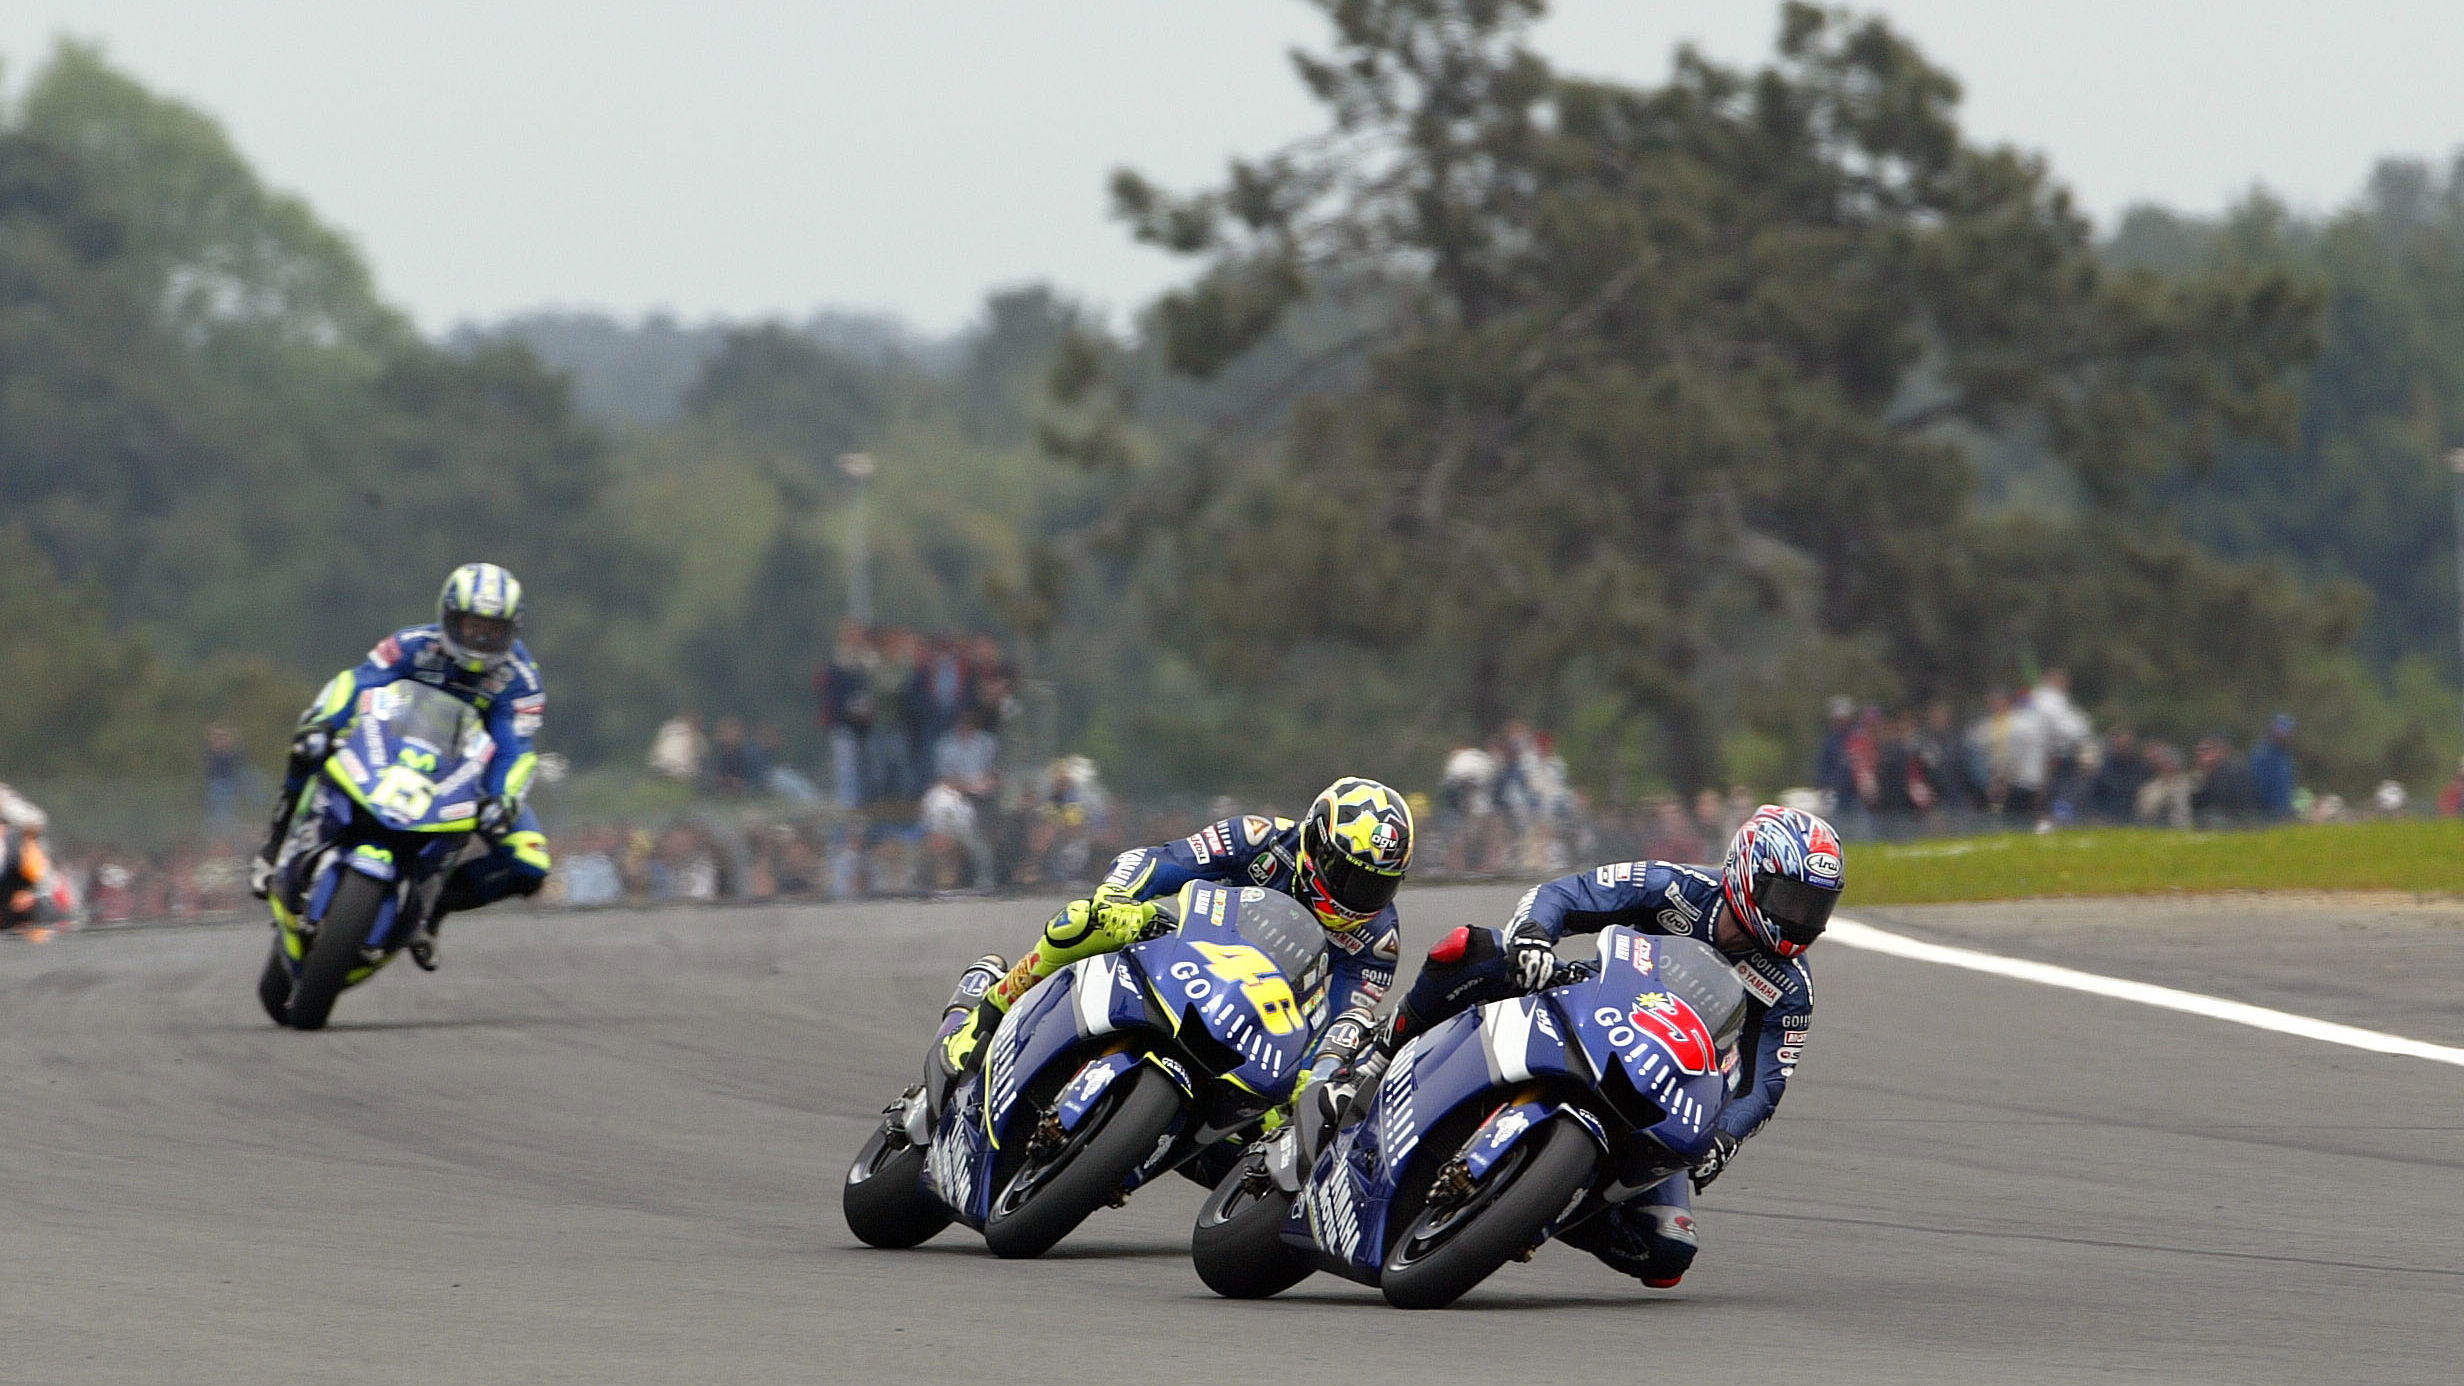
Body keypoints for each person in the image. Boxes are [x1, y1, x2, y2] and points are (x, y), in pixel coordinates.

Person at [1325, 804, 1841, 1291]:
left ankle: (1545, 1203)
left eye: (1816, 907)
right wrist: (1534, 936)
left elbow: (1765, 1082)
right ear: (1749, 874)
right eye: (1791, 901)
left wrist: (1726, 1138)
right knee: (1473, 949)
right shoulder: (1675, 887)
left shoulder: (1790, 988)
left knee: (1668, 1250)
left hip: (1666, 1079)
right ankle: (1377, 1052)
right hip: (1588, 1004)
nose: (1801, 919)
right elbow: (1566, 894)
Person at [938, 778, 1416, 1103]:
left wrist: (1312, 1077)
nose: (1358, 894)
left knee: (1290, 1103)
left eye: (1376, 884)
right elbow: (1163, 860)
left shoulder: (1377, 942)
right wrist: (1117, 898)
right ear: (1315, 842)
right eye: (1347, 874)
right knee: (1084, 920)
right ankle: (986, 1016)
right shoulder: (1257, 837)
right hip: (1184, 949)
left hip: (1259, 1024)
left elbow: (1339, 1021)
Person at [247, 564, 551, 969]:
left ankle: (432, 910)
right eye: (472, 625)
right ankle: (275, 844)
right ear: (448, 616)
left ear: (512, 631)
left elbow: (516, 749)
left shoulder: (521, 679)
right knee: (309, 748)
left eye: (493, 630)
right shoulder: (412, 644)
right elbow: (356, 683)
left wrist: (503, 799)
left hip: (466, 778)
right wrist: (322, 722)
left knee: (530, 863)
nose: (481, 638)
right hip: (389, 755)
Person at [2248, 714, 2296, 820]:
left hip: (2284, 811)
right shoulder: (2262, 755)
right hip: (2267, 813)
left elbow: (2288, 785)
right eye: (2281, 730)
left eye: (2287, 731)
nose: (2284, 735)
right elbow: (2258, 785)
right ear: (2273, 731)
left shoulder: (2285, 756)